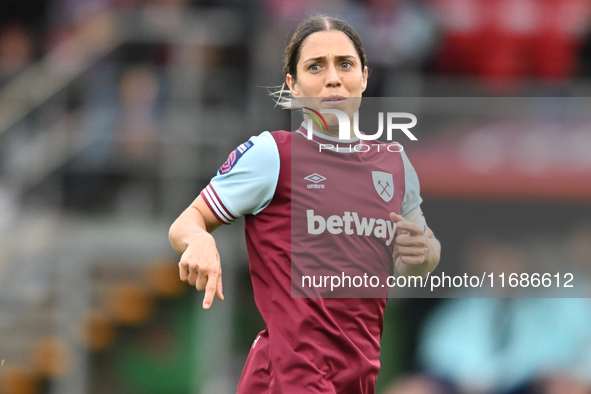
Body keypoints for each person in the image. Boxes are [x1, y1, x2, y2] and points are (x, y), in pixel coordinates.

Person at [169, 14, 441, 394]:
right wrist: (199, 240)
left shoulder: (395, 163)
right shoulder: (272, 155)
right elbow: (186, 222)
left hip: (357, 379)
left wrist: (425, 252)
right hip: (285, 380)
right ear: (293, 85)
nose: (332, 77)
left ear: (364, 76)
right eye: (315, 66)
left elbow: (418, 260)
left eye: (344, 64)